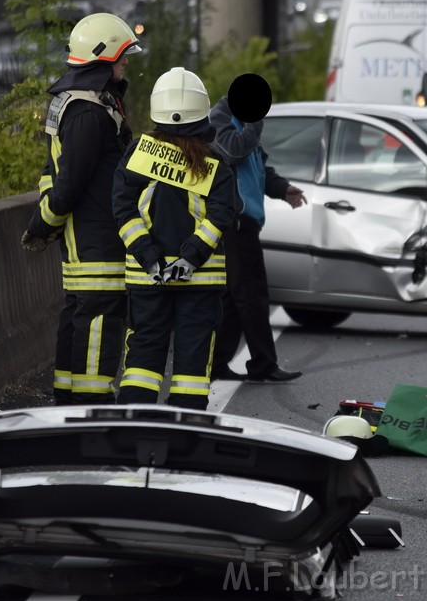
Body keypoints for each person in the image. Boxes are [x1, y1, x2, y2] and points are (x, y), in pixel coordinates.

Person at [20, 12, 140, 405]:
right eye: (122, 57)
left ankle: (68, 408)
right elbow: (69, 182)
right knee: (99, 326)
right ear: (102, 58)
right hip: (97, 244)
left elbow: (51, 173)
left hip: (81, 243)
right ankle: (90, 414)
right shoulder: (89, 111)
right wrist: (42, 225)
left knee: (76, 321)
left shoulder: (79, 102)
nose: (126, 63)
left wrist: (46, 224)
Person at [112, 66, 235, 410]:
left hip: (146, 279)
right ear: (202, 110)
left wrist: (148, 256)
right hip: (200, 280)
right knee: (193, 366)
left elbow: (122, 211)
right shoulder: (215, 162)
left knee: (142, 361)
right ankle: (187, 437)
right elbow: (221, 216)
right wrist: (190, 258)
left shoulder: (138, 154)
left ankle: (134, 431)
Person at [208, 73, 306, 383]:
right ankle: (264, 364)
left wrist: (283, 189)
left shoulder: (243, 122)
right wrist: (255, 122)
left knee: (235, 299)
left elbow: (257, 165)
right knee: (252, 295)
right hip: (234, 222)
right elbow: (233, 151)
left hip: (242, 222)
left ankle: (217, 363)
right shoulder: (221, 117)